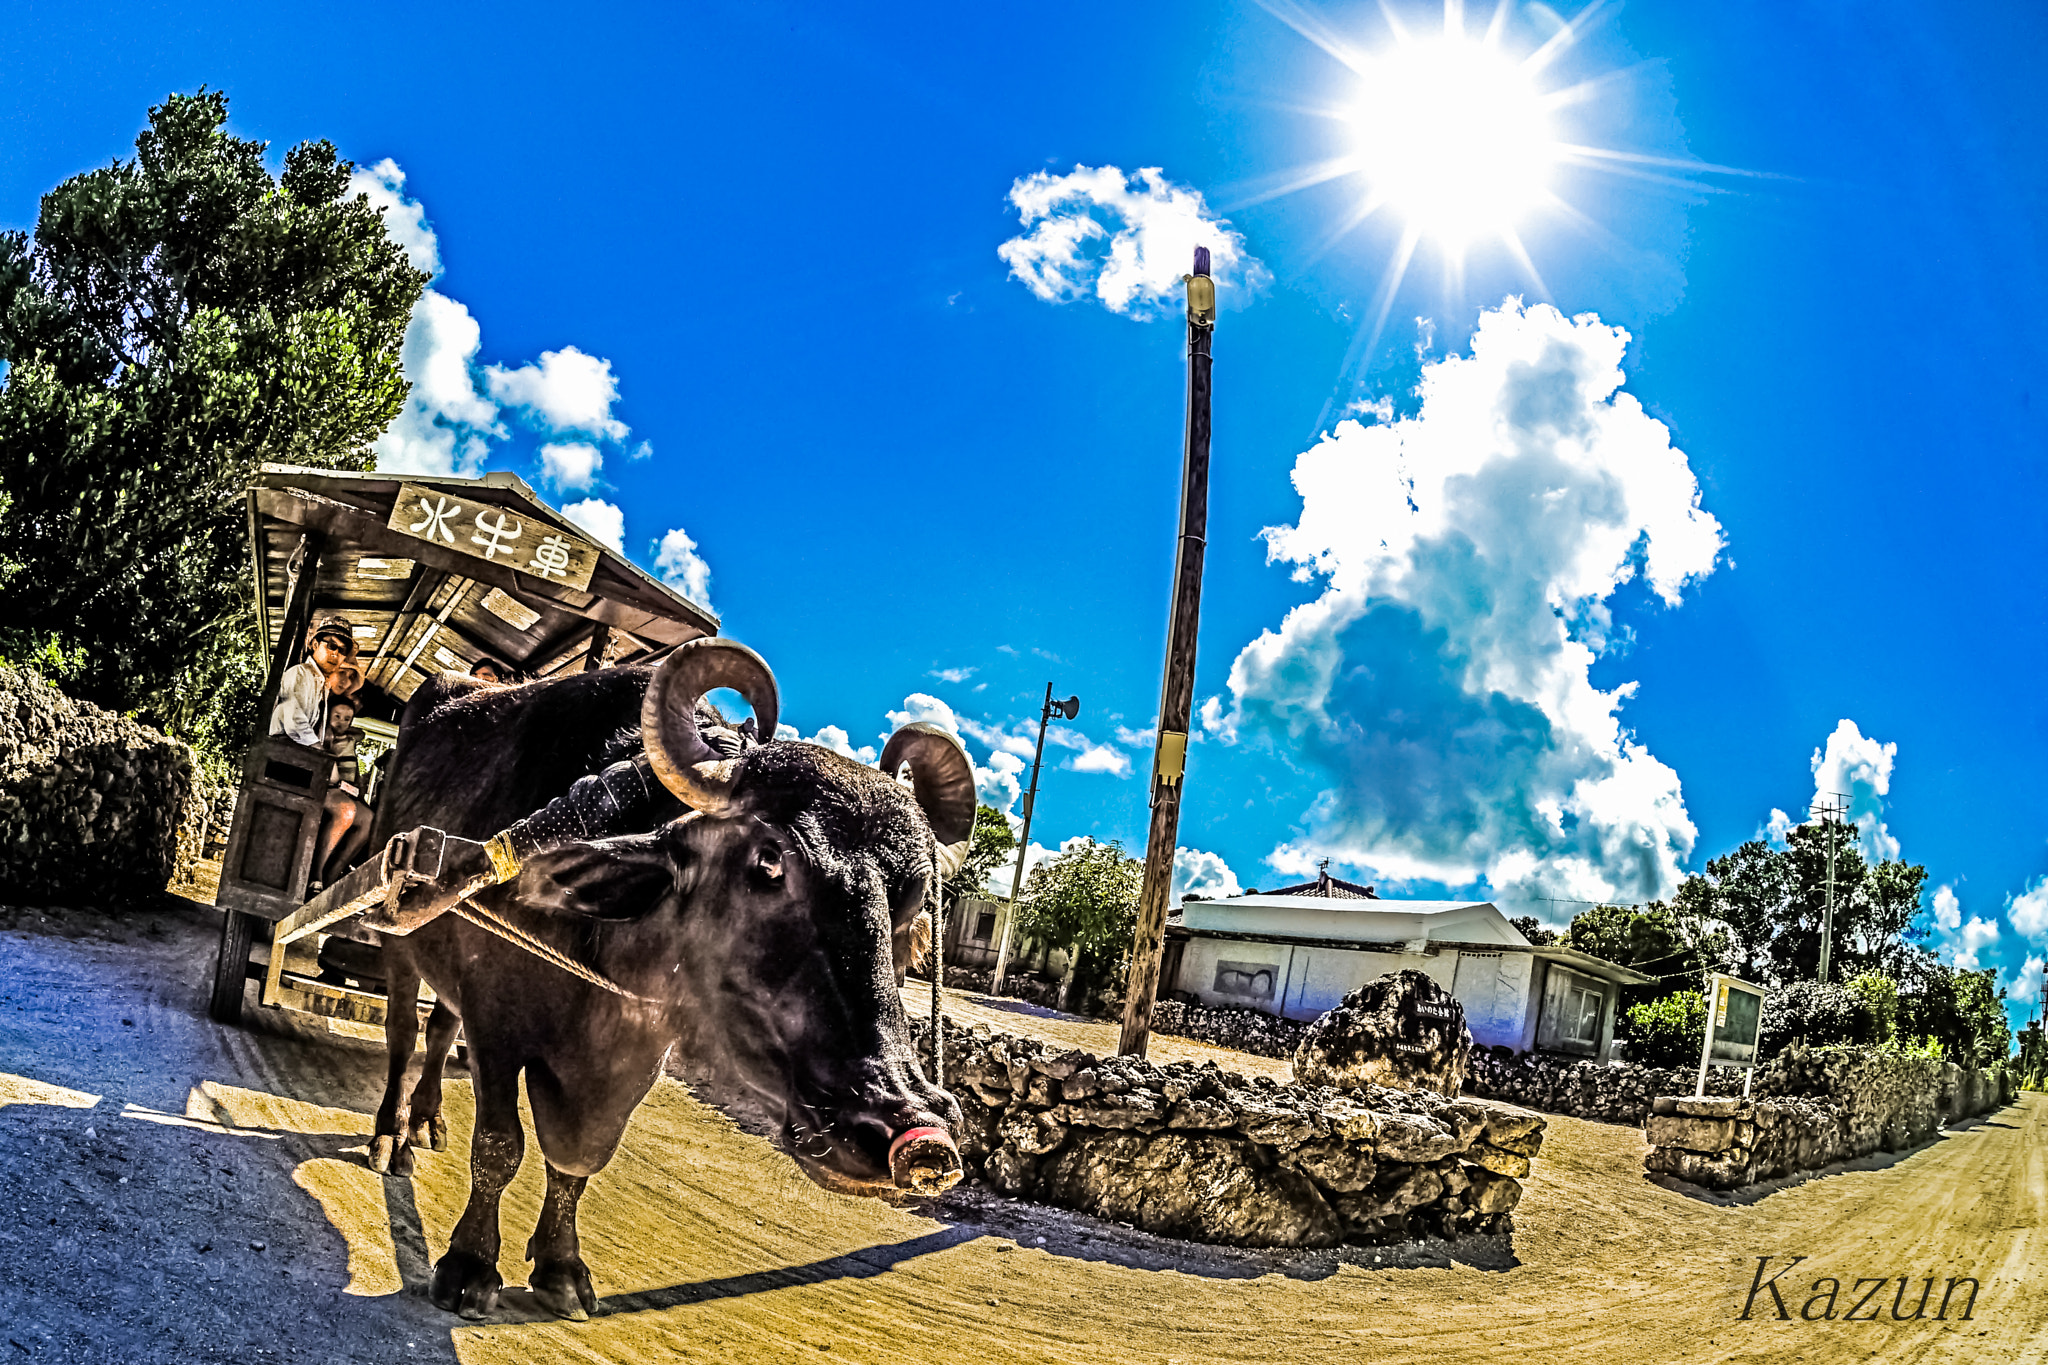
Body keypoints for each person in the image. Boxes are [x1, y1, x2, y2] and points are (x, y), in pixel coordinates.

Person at [312, 676, 374, 891]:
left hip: (344, 790)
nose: (341, 721)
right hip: (325, 789)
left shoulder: (348, 738)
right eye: (336, 716)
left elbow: (359, 733)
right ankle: (316, 872)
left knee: (368, 819)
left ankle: (332, 873)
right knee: (346, 811)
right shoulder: (323, 736)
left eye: (346, 718)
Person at [271, 617, 356, 748]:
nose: (335, 654)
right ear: (315, 645)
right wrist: (318, 751)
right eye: (331, 646)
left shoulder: (323, 686)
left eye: (342, 650)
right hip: (280, 754)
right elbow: (294, 720)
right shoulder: (300, 673)